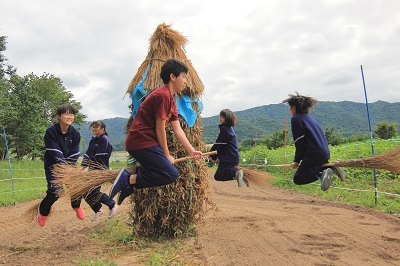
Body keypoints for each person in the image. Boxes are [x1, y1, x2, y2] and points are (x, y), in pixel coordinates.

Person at [109, 59, 203, 204]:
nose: (185, 81)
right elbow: (160, 129)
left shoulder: (171, 100)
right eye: (183, 76)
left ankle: (129, 185)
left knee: (166, 173)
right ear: (173, 77)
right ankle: (127, 178)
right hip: (141, 142)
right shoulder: (162, 96)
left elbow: (178, 130)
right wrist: (166, 155)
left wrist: (191, 150)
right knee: (170, 174)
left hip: (146, 143)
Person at [282, 92, 346, 191]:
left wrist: (296, 161)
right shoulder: (310, 118)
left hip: (313, 154)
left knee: (298, 178)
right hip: (324, 153)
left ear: (294, 107)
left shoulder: (296, 119)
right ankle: (327, 170)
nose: (289, 110)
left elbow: (299, 143)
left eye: (290, 107)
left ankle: (327, 171)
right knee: (309, 171)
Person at [37, 104, 85, 227]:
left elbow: (75, 153)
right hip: (53, 166)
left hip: (69, 166)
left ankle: (76, 206)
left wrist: (69, 168)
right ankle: (43, 212)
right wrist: (64, 167)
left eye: (72, 114)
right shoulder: (51, 132)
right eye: (67, 114)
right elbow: (55, 152)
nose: (70, 116)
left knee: (76, 188)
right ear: (59, 116)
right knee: (55, 192)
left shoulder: (75, 134)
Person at [81, 121, 118, 221]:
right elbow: (87, 155)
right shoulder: (92, 141)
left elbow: (99, 157)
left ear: (102, 129)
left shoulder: (104, 140)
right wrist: (82, 167)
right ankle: (98, 210)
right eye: (93, 127)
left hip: (100, 170)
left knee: (93, 192)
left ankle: (113, 205)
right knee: (85, 192)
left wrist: (91, 169)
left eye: (96, 127)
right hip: (92, 170)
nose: (93, 129)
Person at [209, 109, 249, 187]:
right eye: (220, 116)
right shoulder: (229, 129)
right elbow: (221, 145)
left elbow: (219, 144)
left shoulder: (225, 129)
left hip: (229, 157)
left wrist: (212, 156)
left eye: (223, 116)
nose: (220, 118)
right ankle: (236, 172)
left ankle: (236, 173)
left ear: (227, 118)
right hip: (232, 156)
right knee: (219, 175)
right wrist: (214, 155)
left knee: (218, 176)